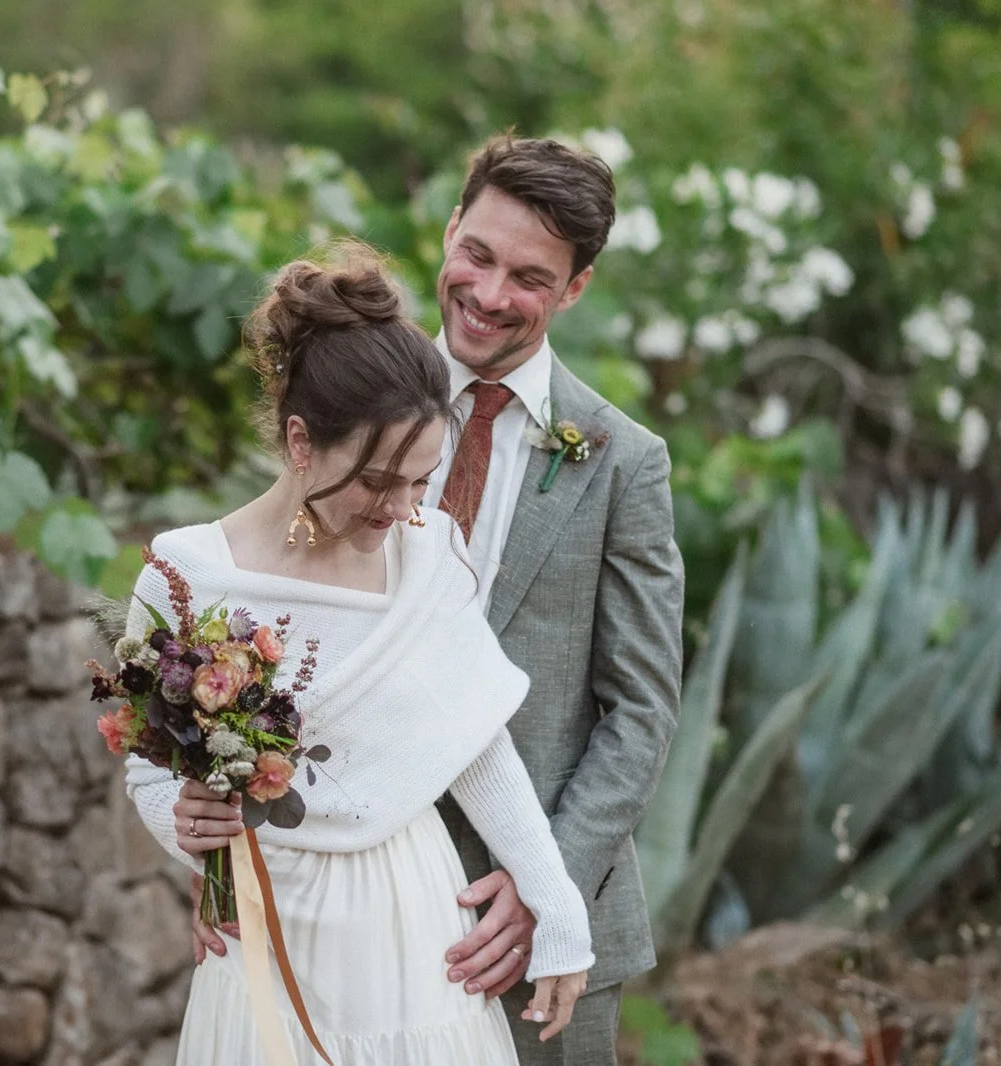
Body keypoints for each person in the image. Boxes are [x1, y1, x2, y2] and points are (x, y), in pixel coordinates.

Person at [189, 134, 685, 1065]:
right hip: (346, 911)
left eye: (531, 277)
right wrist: (230, 852)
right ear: (451, 227)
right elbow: (280, 624)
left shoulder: (624, 461)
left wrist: (547, 883)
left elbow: (643, 709)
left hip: (535, 928)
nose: (491, 294)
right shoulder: (350, 397)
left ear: (576, 288)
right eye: (479, 254)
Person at [124, 247, 595, 1064]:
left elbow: (475, 744)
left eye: (420, 480)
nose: (404, 509)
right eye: (380, 482)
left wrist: (557, 909)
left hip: (410, 917)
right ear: (302, 441)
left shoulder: (427, 553)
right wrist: (181, 820)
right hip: (263, 922)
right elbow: (148, 765)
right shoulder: (188, 575)